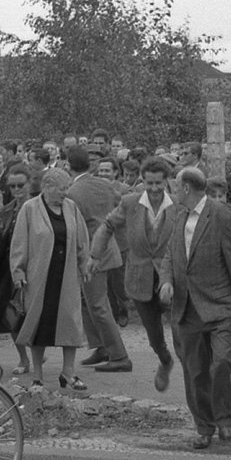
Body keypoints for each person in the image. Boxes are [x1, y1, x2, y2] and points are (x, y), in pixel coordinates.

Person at [159, 167, 231, 449]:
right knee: (195, 371)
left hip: (221, 307)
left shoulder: (221, 215)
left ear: (186, 188)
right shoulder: (178, 216)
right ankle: (204, 426)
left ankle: (226, 422)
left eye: (176, 188)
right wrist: (165, 281)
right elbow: (170, 255)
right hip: (187, 309)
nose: (173, 193)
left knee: (222, 365)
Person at [91, 157, 180, 392]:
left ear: (166, 181)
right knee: (154, 337)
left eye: (158, 183)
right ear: (142, 180)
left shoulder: (179, 206)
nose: (153, 189)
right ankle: (165, 361)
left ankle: (193, 374)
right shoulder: (130, 203)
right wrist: (95, 255)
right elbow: (108, 226)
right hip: (140, 279)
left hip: (172, 280)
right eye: (149, 183)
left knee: (182, 332)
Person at [9, 168, 91, 394]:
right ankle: (37, 376)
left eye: (67, 188)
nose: (65, 193)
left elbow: (82, 239)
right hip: (38, 276)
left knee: (70, 321)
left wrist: (85, 264)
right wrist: (18, 271)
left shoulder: (71, 208)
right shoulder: (30, 209)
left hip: (67, 274)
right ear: (47, 187)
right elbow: (19, 243)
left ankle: (68, 372)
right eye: (61, 189)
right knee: (39, 323)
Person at [65, 146, 132, 372]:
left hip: (90, 254)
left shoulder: (72, 192)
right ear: (90, 164)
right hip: (108, 248)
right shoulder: (106, 185)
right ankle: (102, 346)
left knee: (98, 304)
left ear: (68, 166)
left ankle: (119, 355)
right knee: (89, 302)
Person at [0, 165, 33, 372]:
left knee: (32, 313)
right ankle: (24, 358)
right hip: (8, 268)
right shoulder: (8, 209)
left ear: (29, 183)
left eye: (21, 185)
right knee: (12, 314)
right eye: (12, 186)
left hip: (32, 266)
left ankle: (37, 355)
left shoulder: (39, 207)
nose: (17, 189)